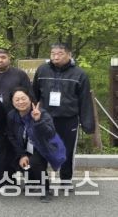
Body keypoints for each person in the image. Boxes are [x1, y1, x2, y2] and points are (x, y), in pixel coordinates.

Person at [32, 43, 95, 186]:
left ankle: (66, 179)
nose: (55, 57)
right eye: (53, 53)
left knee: (67, 150)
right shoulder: (42, 70)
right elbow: (34, 94)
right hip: (45, 118)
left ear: (69, 55)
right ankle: (41, 180)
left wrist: (88, 124)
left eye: (60, 54)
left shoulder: (79, 74)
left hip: (68, 119)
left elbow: (85, 100)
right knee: (41, 148)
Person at [6, 88, 66, 202]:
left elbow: (50, 134)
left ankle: (45, 189)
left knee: (34, 162)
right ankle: (32, 181)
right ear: (12, 102)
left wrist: (38, 121)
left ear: (30, 99)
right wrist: (21, 154)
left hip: (42, 147)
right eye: (17, 100)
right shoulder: (12, 116)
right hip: (24, 148)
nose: (20, 102)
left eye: (23, 98)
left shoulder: (41, 113)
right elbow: (11, 136)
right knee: (20, 162)